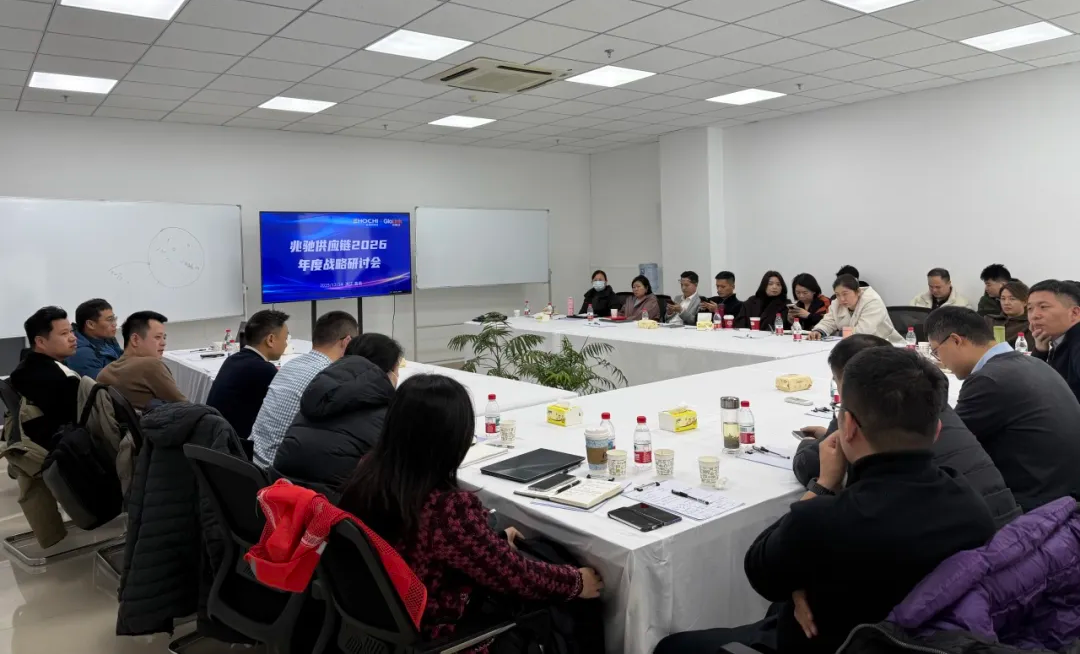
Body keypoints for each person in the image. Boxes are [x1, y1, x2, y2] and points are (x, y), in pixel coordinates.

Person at [655, 348, 996, 654]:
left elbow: (760, 570)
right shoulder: (969, 503)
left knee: (671, 646)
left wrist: (823, 485)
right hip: (919, 642)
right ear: (936, 430)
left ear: (847, 426)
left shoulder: (824, 518)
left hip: (828, 642)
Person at [338, 374, 603, 649]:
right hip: (440, 628)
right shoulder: (446, 509)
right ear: (453, 440)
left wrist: (492, 540)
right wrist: (575, 582)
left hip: (384, 616)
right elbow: (514, 574)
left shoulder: (370, 472)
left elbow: (436, 547)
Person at [794, 334, 1020, 529]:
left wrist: (817, 469)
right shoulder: (928, 397)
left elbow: (812, 464)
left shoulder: (863, 407)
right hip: (1004, 528)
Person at [926, 306, 1080, 511]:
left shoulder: (988, 379)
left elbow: (947, 443)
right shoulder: (1032, 363)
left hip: (1034, 505)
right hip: (1063, 491)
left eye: (936, 352)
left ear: (955, 340)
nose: (941, 362)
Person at [273, 333, 402, 493]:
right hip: (336, 504)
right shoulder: (386, 414)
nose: (398, 376)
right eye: (397, 369)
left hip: (282, 495)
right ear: (387, 373)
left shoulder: (318, 394)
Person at [250, 310, 358, 469]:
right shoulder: (329, 375)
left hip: (251, 463)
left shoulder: (290, 365)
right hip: (279, 473)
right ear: (347, 342)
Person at [205, 310, 289, 439]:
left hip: (214, 439)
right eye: (285, 339)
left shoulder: (232, 360)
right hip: (237, 446)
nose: (286, 344)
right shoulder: (264, 370)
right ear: (270, 340)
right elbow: (286, 410)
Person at [9, 307, 80, 447]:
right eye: (64, 333)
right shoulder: (52, 377)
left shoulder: (28, 367)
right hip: (65, 448)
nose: (73, 337)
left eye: (71, 331)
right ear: (41, 342)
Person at [98, 311, 186, 411]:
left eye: (164, 337)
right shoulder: (151, 365)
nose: (163, 343)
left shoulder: (105, 372)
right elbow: (185, 406)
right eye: (157, 337)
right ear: (135, 340)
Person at [808, 275, 904, 344]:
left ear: (857, 291)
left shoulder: (873, 302)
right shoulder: (836, 303)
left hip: (886, 345)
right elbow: (828, 321)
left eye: (845, 294)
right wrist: (819, 331)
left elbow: (863, 332)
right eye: (837, 294)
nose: (841, 299)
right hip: (853, 346)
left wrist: (838, 333)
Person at [1029, 280, 1080, 403]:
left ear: (1074, 313)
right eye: (1029, 308)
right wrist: (1040, 351)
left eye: (1043, 307)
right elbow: (1033, 384)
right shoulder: (1059, 340)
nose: (1034, 315)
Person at [65, 298, 123, 379]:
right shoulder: (81, 353)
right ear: (91, 324)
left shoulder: (107, 339)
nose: (115, 324)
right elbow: (101, 382)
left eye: (114, 318)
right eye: (110, 320)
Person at [986, 280, 1034, 350]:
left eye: (1012, 299)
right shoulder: (990, 320)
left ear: (1025, 302)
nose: (1006, 303)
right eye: (1003, 299)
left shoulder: (1031, 324)